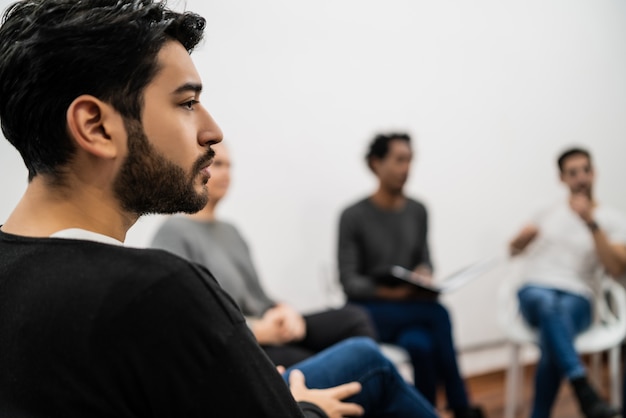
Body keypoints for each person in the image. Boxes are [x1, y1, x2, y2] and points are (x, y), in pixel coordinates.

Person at [0, 1, 439, 417]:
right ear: (96, 127)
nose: (212, 130)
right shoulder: (160, 288)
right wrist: (306, 409)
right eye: (187, 103)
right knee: (366, 361)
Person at [151, 141, 378, 367]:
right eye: (217, 164)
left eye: (230, 166)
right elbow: (183, 317)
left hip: (267, 327)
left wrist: (284, 310)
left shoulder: (232, 232)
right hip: (236, 340)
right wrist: (256, 331)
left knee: (354, 318)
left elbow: (259, 297)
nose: (226, 173)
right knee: (312, 362)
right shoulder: (174, 231)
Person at [337, 132, 484, 418]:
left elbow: (425, 259)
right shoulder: (353, 216)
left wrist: (424, 273)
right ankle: (461, 405)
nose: (406, 168)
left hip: (410, 310)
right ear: (375, 164)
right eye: (399, 160)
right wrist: (391, 293)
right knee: (438, 314)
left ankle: (425, 412)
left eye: (410, 160)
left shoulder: (418, 210)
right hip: (370, 311)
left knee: (422, 345)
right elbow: (349, 282)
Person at [508, 147, 626, 418]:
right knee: (547, 304)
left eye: (585, 170)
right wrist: (519, 241)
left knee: (553, 329)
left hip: (579, 297)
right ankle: (583, 388)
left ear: (594, 173)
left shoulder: (612, 219)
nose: (581, 178)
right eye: (573, 173)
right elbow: (512, 251)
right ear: (562, 179)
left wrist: (591, 223)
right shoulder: (546, 211)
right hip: (535, 290)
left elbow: (617, 267)